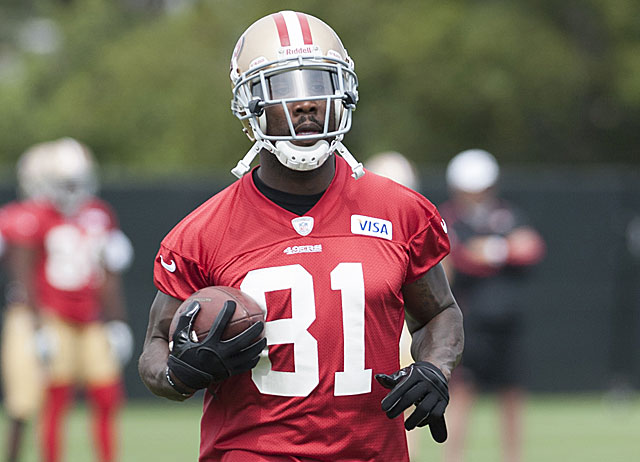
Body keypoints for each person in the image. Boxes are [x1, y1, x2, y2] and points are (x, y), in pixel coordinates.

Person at [138, 11, 464, 462]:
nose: (306, 103)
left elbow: (439, 313)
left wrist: (435, 368)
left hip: (371, 452)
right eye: (284, 89)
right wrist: (179, 372)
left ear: (344, 92)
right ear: (248, 103)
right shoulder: (202, 232)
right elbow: (155, 347)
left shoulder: (401, 210)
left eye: (318, 84)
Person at [3, 138, 134, 462]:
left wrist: (117, 322)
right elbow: (23, 269)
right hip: (48, 315)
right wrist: (36, 327)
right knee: (36, 400)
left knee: (106, 394)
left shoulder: (99, 214)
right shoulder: (30, 215)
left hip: (89, 317)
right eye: (65, 181)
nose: (74, 188)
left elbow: (109, 273)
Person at [439, 149, 545, 462]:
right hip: (470, 321)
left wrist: (494, 250)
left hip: (507, 321)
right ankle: (452, 456)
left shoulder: (508, 214)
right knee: (461, 392)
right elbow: (461, 258)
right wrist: (502, 249)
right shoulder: (448, 219)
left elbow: (532, 249)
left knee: (512, 392)